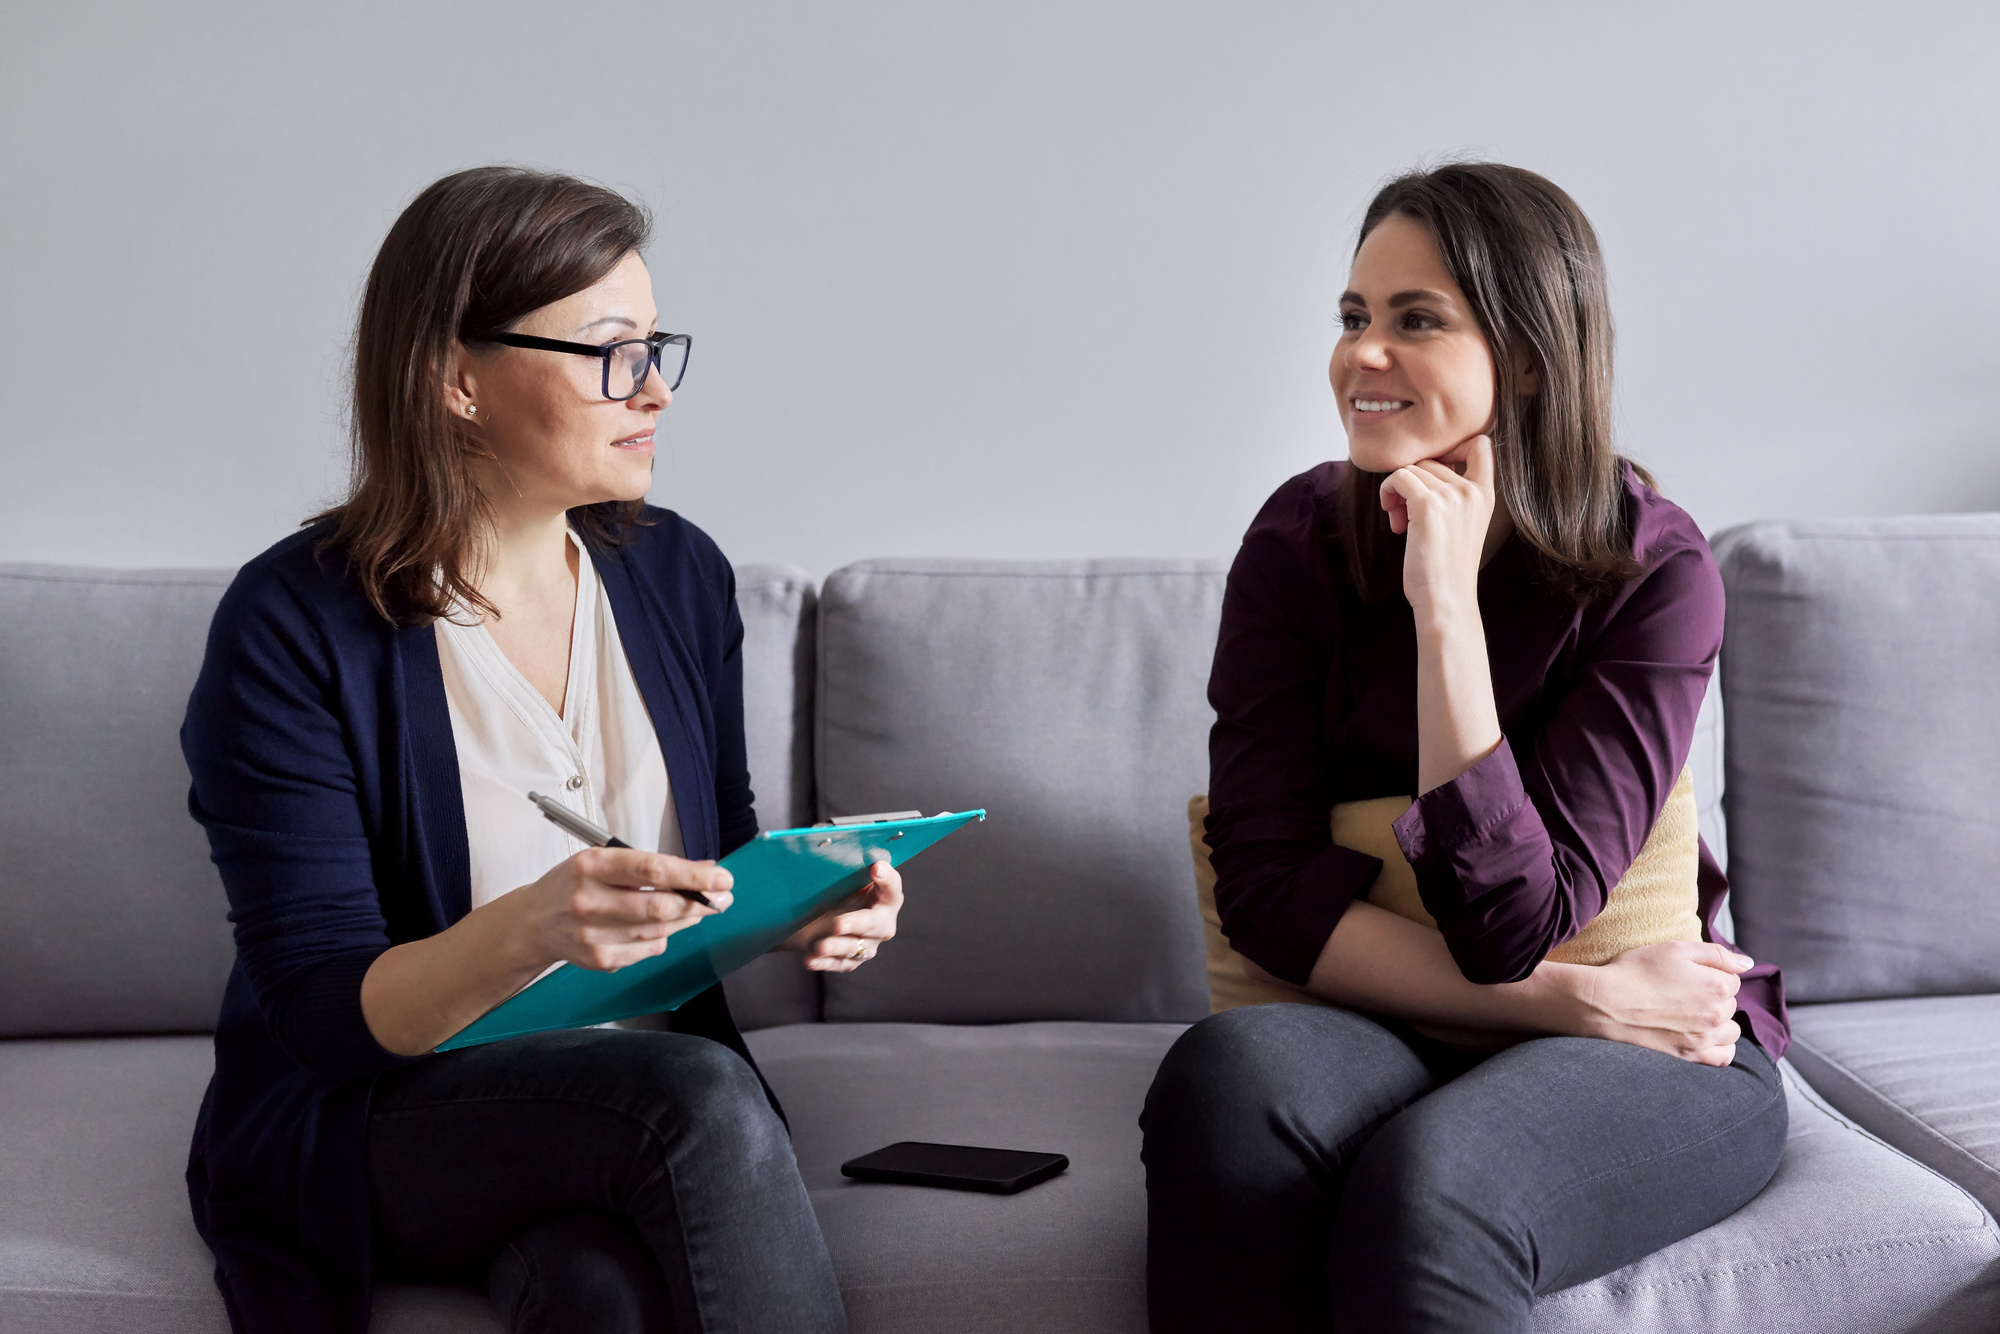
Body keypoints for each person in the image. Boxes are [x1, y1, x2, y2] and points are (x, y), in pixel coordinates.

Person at [181, 166, 890, 1334]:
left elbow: (716, 845)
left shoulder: (677, 573)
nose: (655, 388)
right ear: (457, 379)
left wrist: (800, 899)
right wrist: (529, 929)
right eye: (612, 351)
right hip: (389, 1108)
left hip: (616, 1104)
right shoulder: (291, 626)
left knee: (598, 1291)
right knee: (694, 1093)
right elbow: (319, 1012)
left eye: (658, 345)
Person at [1141, 163, 1791, 1333]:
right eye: (1352, 318)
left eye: (1414, 320)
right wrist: (1580, 1004)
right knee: (1221, 1083)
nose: (1360, 356)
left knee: (1435, 1185)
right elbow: (1269, 891)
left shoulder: (1654, 569)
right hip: (1424, 1024)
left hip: (1667, 1057)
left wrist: (1442, 600)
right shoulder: (1294, 543)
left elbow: (1509, 920)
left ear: (1530, 357)